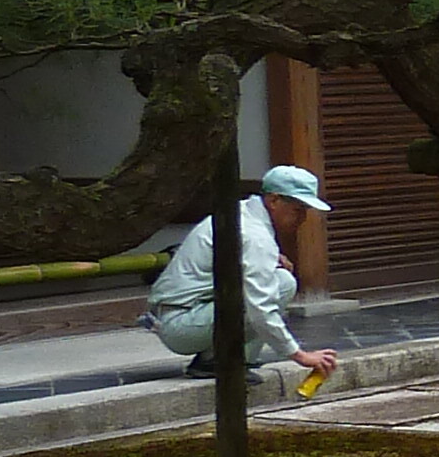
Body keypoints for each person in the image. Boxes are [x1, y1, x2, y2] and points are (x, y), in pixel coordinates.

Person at [143, 165, 342, 386]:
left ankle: (238, 359)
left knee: (282, 281)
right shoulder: (255, 235)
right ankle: (216, 361)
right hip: (181, 323)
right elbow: (261, 307)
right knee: (266, 293)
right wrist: (299, 355)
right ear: (274, 201)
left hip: (183, 314)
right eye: (298, 209)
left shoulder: (242, 212)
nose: (303, 219)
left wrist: (273, 257)